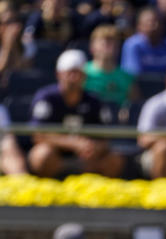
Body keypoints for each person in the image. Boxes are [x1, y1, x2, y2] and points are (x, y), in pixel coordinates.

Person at [28, 50, 124, 179]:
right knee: (42, 155)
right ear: (59, 74)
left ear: (84, 76)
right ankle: (46, 194)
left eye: (77, 73)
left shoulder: (94, 101)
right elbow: (37, 135)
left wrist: (93, 147)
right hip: (56, 154)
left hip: (86, 157)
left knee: (113, 159)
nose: (73, 77)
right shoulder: (46, 98)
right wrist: (71, 143)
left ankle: (97, 195)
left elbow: (105, 138)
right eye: (69, 73)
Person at [84, 25, 138, 121]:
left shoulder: (126, 77)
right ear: (92, 46)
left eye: (112, 42)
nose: (108, 45)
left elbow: (134, 103)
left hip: (116, 125)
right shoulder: (82, 73)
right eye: (104, 42)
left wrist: (126, 110)